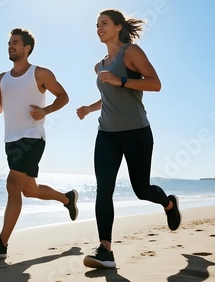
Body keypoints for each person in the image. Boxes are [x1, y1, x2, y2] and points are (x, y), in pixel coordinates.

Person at [76, 9, 181, 268]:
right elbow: (110, 97)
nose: (99, 28)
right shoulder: (99, 66)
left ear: (118, 27)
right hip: (106, 135)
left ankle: (168, 203)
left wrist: (121, 79)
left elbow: (155, 84)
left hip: (137, 133)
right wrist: (90, 109)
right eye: (96, 24)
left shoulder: (131, 53)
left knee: (141, 190)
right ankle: (105, 250)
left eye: (104, 23)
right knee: (104, 190)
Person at [0, 28, 79, 259]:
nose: (10, 46)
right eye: (9, 43)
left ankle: (1, 243)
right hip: (10, 140)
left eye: (15, 43)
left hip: (32, 137)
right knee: (29, 190)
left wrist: (45, 110)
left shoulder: (40, 73)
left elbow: (63, 96)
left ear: (27, 48)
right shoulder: (3, 78)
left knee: (13, 185)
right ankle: (67, 198)